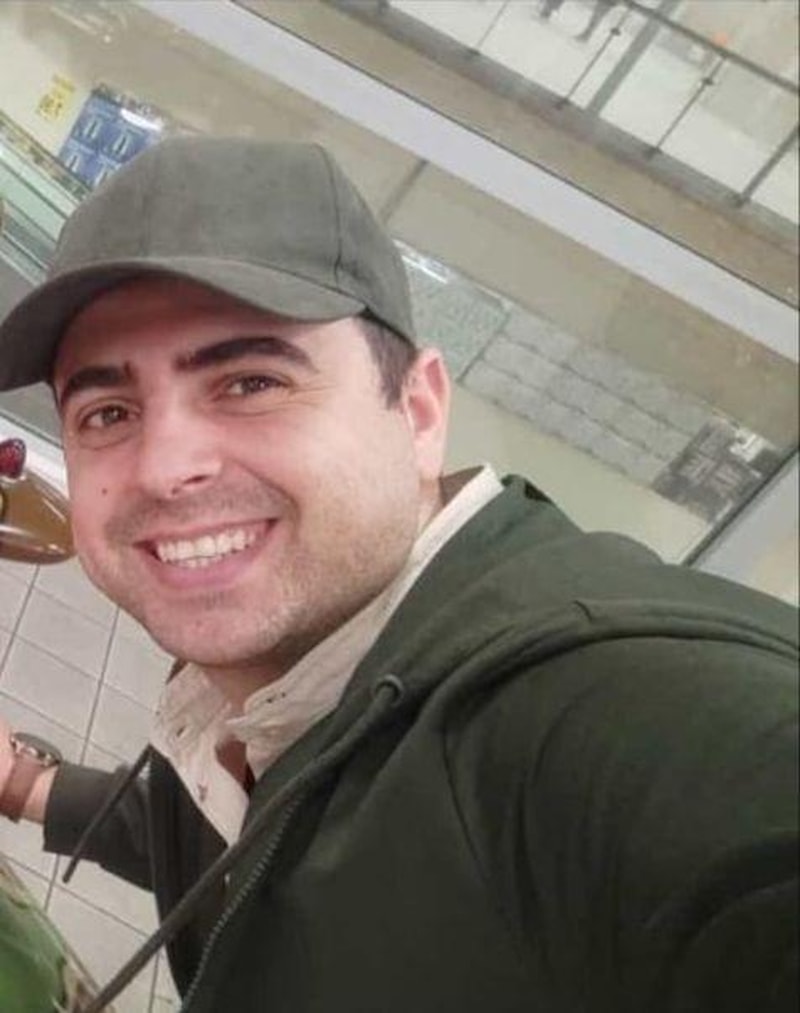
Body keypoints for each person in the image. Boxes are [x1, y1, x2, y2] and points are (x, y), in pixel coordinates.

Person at [0, 137, 796, 1013]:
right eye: (108, 411)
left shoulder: (611, 719)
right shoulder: (286, 666)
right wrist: (30, 786)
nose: (164, 467)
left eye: (251, 382)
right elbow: (270, 834)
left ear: (418, 412)